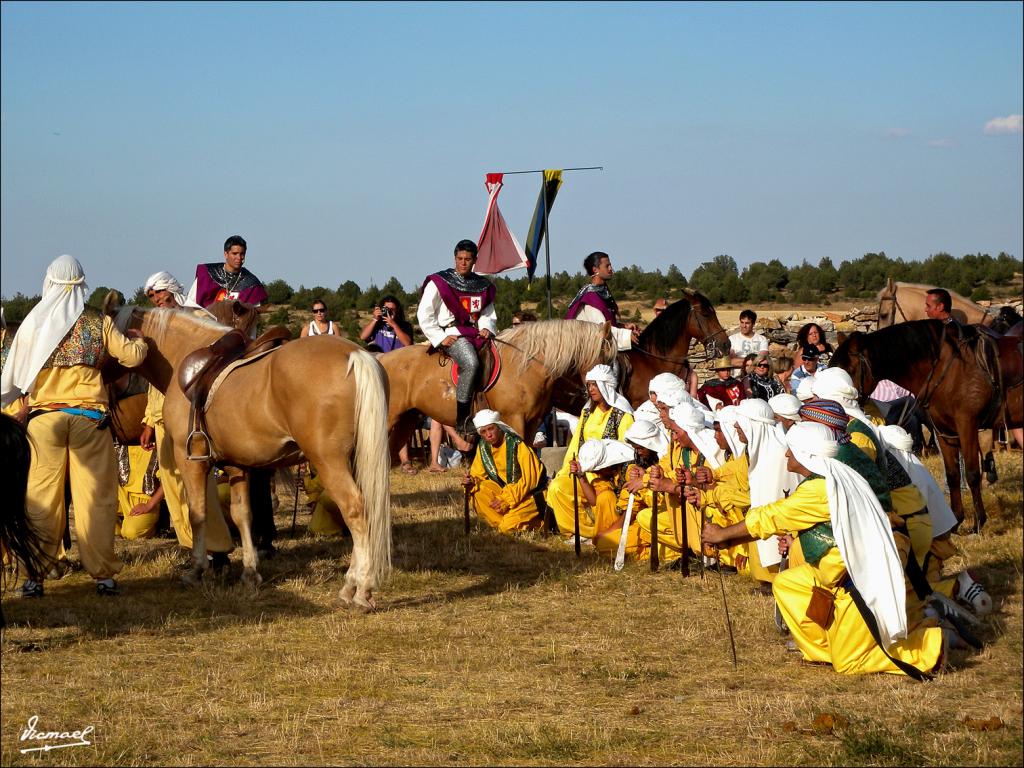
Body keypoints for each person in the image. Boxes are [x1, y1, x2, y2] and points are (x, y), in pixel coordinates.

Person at [704, 422, 947, 676]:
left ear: (805, 453)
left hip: (861, 580)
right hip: (841, 574)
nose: (787, 454)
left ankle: (930, 647)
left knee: (849, 663)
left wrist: (724, 534)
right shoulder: (836, 475)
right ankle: (826, 649)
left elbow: (773, 516)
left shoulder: (822, 488)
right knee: (788, 584)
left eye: (791, 449)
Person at [2, 255, 149, 597]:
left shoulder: (34, 322)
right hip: (89, 420)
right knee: (95, 498)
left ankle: (34, 577)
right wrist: (140, 341)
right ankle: (103, 576)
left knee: (40, 499)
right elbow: (132, 358)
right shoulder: (97, 320)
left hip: (43, 421)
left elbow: (16, 369)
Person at [139, 271, 237, 562]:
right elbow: (152, 377)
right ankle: (191, 548)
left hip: (193, 412)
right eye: (152, 296)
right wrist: (148, 418)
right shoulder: (155, 326)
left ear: (171, 289)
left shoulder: (196, 316)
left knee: (199, 482)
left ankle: (217, 549)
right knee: (171, 484)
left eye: (160, 293)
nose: (157, 299)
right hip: (160, 414)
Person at [417, 239, 498, 436]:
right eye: (460, 259)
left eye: (467, 259)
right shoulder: (441, 282)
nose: (463, 263)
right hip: (452, 334)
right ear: (455, 258)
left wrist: (487, 327)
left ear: (474, 260)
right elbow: (424, 313)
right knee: (471, 363)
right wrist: (439, 337)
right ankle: (462, 419)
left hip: (476, 334)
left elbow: (487, 314)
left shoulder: (482, 285)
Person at [546, 365, 634, 536]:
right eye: (589, 385)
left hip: (606, 477)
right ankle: (583, 532)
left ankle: (603, 533)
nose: (591, 389)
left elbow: (628, 451)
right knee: (557, 487)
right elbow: (575, 445)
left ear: (606, 385)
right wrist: (566, 471)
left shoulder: (622, 415)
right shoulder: (587, 412)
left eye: (595, 384)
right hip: (583, 472)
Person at [461, 409, 545, 533]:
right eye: (483, 432)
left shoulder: (517, 444)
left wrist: (506, 499)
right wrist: (470, 481)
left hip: (530, 495)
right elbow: (477, 474)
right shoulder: (483, 447)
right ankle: (508, 522)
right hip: (507, 495)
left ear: (499, 427)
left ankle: (539, 524)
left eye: (491, 429)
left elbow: (529, 481)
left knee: (506, 527)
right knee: (477, 490)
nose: (488, 434)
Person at [564, 438, 635, 544]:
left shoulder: (630, 470)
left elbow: (631, 511)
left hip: (631, 520)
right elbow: (594, 501)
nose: (596, 472)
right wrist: (581, 476)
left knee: (606, 497)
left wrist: (607, 533)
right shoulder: (606, 477)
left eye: (597, 469)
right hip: (618, 523)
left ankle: (610, 539)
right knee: (604, 497)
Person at [565, 251, 638, 351]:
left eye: (610, 265)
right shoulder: (590, 298)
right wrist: (626, 335)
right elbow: (602, 331)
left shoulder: (602, 293)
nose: (611, 269)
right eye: (607, 266)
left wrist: (623, 326)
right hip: (593, 357)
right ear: (595, 270)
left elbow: (606, 322)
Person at [186, 234, 269, 308]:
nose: (239, 258)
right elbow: (190, 305)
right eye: (235, 253)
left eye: (242, 254)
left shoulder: (251, 284)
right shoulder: (206, 274)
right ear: (226, 254)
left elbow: (252, 316)